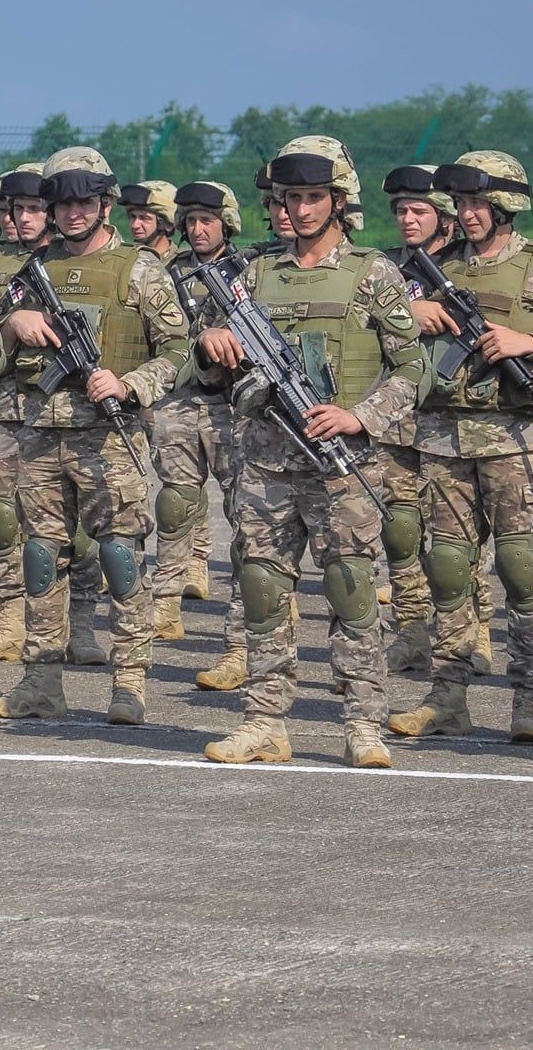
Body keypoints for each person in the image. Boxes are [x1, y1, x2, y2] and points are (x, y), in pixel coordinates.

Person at [197, 137, 423, 767]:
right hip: (267, 464)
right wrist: (212, 345)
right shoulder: (253, 275)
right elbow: (211, 369)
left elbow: (413, 367)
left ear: (337, 202)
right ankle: (264, 722)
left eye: (310, 198)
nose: (297, 210)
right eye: (288, 199)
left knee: (352, 590)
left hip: (342, 468)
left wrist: (359, 415)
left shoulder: (373, 274)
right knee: (263, 589)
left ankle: (363, 724)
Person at [387, 151, 533, 745]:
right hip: (444, 437)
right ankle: (447, 696)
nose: (467, 213)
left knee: (519, 568)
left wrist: (527, 342)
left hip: (517, 438)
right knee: (450, 570)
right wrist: (410, 312)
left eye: (478, 203)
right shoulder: (433, 266)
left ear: (506, 206)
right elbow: (377, 326)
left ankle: (532, 696)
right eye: (460, 203)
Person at [0, 146, 190, 726]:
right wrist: (12, 324)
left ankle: (130, 682)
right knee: (41, 557)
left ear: (104, 204)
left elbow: (180, 352)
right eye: (62, 202)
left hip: (107, 436)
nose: (72, 212)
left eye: (83, 201)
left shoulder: (140, 269)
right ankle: (41, 681)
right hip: (38, 434)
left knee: (120, 556)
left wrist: (129, 383)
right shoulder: (34, 270)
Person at [159, 182, 247, 688]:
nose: (197, 229)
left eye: (206, 221)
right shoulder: (168, 274)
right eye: (190, 221)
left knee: (246, 518)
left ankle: (244, 629)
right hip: (182, 402)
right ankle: (166, 604)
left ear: (226, 223)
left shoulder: (248, 273)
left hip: (234, 408)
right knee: (175, 507)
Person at [0, 163, 54, 664]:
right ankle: (8, 620)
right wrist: (9, 324)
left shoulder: (72, 262)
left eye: (32, 208)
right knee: (0, 512)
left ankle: (74, 627)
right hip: (3, 402)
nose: (19, 218)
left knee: (65, 524)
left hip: (65, 408)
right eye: (13, 209)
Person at [374, 165, 454, 675]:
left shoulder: (468, 266)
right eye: (401, 210)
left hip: (456, 419)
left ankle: (463, 636)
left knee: (456, 538)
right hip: (399, 416)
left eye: (418, 210)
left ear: (445, 217)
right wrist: (407, 310)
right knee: (400, 528)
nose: (407, 218)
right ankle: (410, 630)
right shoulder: (384, 268)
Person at [119, 181, 179, 261]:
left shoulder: (183, 266)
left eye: (145, 218)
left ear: (167, 224)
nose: (134, 225)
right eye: (133, 216)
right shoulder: (123, 261)